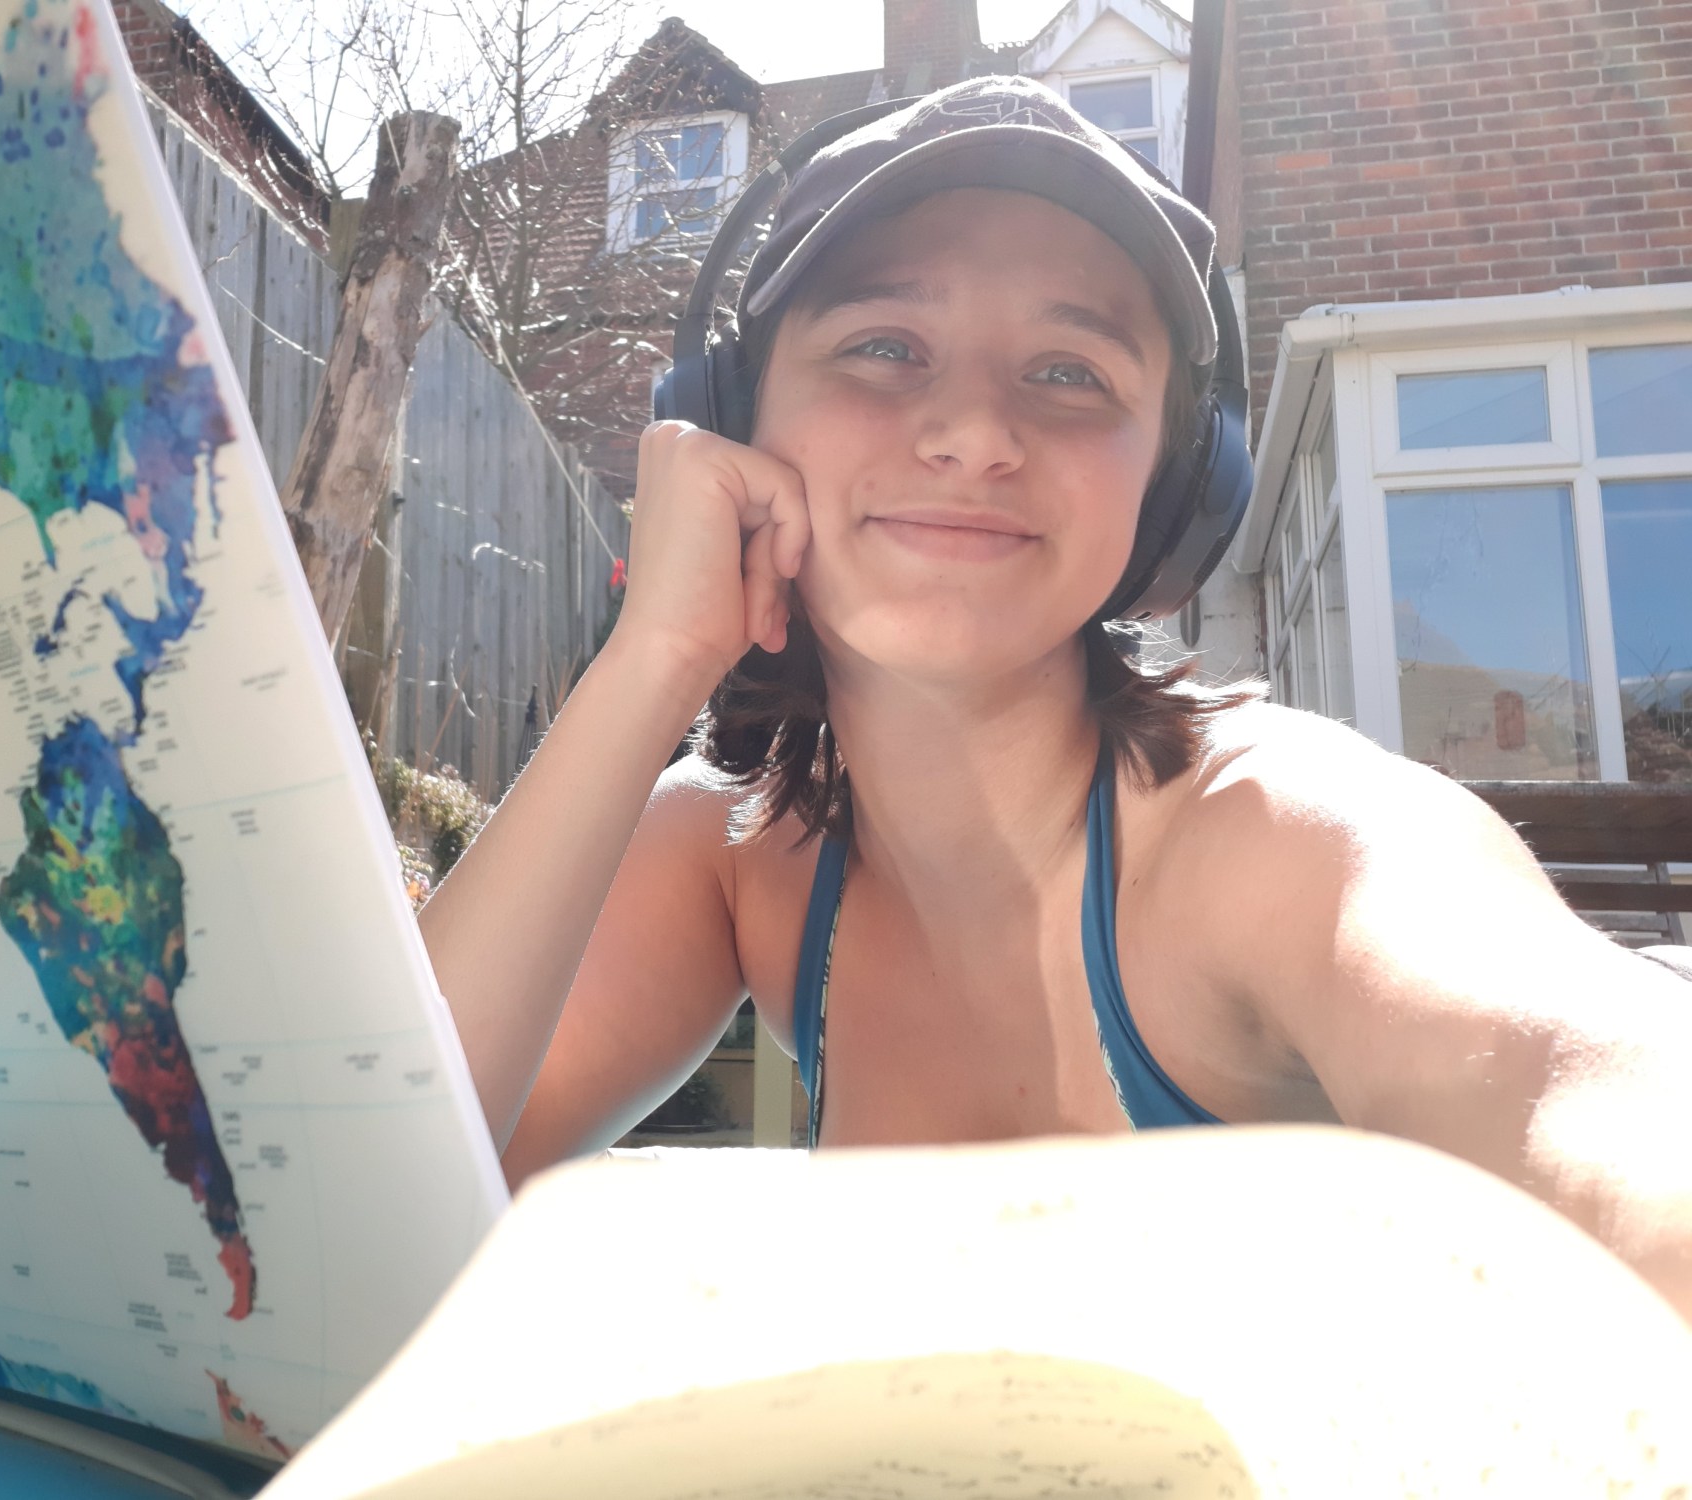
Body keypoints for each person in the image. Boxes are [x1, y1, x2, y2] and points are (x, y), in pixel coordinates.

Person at [416, 76, 1692, 1322]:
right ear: (732, 425)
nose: (973, 430)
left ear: (1171, 486)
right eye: (881, 346)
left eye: (1070, 371)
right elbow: (364, 1194)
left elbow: (1594, 1108)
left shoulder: (1282, 834)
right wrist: (651, 659)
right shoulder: (736, 854)